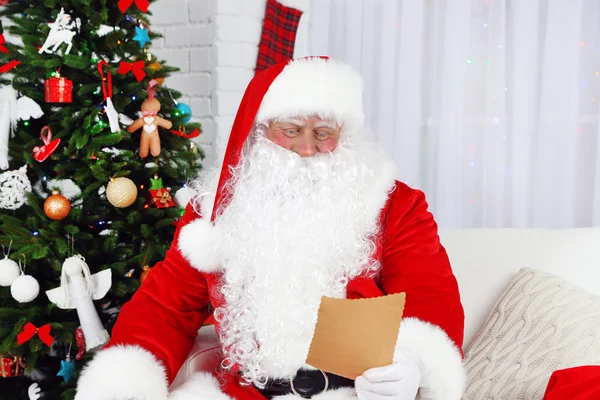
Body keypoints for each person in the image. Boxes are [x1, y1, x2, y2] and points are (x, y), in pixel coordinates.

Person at [75, 57, 465, 400]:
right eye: (291, 130)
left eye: (323, 133)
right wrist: (125, 381)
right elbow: (166, 306)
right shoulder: (214, 213)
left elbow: (430, 294)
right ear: (259, 131)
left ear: (344, 135)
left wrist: (413, 364)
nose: (307, 148)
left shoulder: (394, 204)